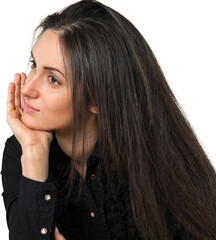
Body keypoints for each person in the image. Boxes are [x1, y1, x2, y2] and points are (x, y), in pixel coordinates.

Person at [1, 0, 216, 239]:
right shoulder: (21, 151)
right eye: (34, 65)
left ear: (97, 100)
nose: (28, 87)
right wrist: (33, 155)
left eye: (53, 79)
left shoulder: (157, 161)